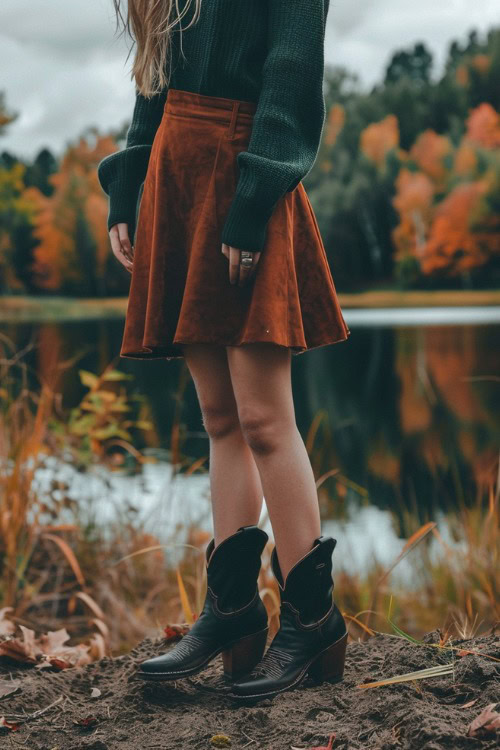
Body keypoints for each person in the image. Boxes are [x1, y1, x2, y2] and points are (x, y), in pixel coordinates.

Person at [97, 0, 350, 701]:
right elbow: (156, 78)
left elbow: (292, 71)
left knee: (265, 419)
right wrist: (130, 180)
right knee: (219, 418)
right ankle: (234, 610)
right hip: (177, 172)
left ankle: (314, 620)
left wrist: (255, 191)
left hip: (245, 169)